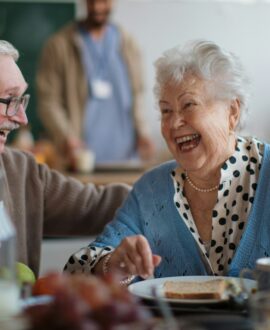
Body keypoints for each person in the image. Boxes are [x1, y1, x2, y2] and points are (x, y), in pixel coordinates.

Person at [64, 39, 270, 282]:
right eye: (166, 110)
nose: (174, 123)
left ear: (232, 111)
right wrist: (113, 264)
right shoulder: (151, 190)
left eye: (188, 105)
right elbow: (76, 270)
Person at [0, 40, 130, 277]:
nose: (22, 119)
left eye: (21, 101)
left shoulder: (21, 172)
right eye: (9, 100)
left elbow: (96, 205)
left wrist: (177, 187)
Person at [36, 0, 155, 166]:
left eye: (104, 2)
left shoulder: (129, 44)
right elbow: (48, 101)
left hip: (127, 160)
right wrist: (65, 137)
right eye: (92, 1)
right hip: (80, 162)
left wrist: (143, 132)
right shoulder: (58, 46)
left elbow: (138, 94)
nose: (97, 7)